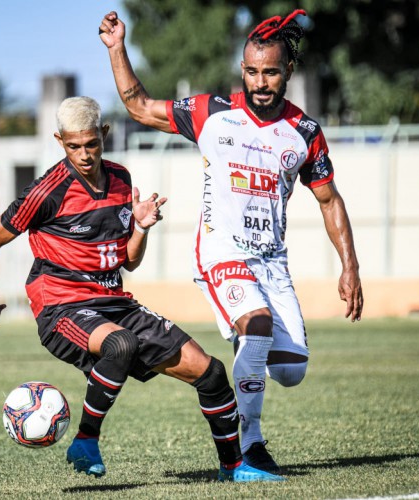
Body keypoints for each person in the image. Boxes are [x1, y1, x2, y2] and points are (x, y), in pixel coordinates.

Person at [0, 96, 282, 482]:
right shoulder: (46, 192)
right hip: (61, 307)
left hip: (114, 302)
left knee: (211, 372)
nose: (84, 155)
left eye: (91, 144)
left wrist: (141, 226)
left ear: (104, 134)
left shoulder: (120, 179)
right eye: (74, 146)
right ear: (60, 141)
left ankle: (234, 466)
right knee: (121, 345)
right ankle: (86, 440)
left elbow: (128, 260)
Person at [99, 9, 364, 474]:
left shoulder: (304, 134)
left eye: (271, 72)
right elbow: (139, 106)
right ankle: (249, 447)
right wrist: (118, 47)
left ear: (288, 72)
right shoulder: (212, 113)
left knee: (290, 371)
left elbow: (329, 201)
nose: (261, 82)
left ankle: (245, 361)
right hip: (220, 252)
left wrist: (350, 267)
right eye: (252, 71)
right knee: (257, 326)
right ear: (242, 70)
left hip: (272, 264)